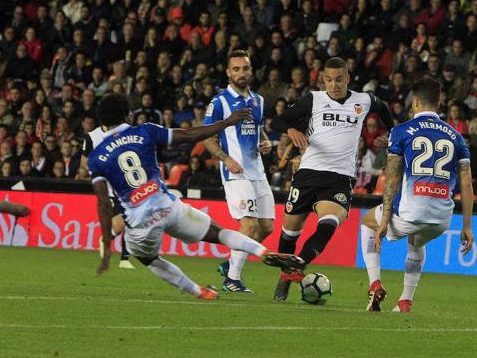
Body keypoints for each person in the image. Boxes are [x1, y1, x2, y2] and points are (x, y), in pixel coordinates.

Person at [88, 94, 304, 300]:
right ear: (128, 115)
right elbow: (191, 135)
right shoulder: (146, 131)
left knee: (151, 260)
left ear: (103, 124)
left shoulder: (96, 158)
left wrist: (107, 244)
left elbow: (103, 203)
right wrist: (227, 122)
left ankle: (197, 291)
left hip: (140, 224)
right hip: (168, 207)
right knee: (220, 233)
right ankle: (263, 251)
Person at [270, 57, 393, 300]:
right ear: (322, 80)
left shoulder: (364, 100)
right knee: (288, 235)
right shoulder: (314, 99)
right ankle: (285, 277)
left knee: (329, 223)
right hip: (307, 174)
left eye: (338, 79)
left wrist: (393, 134)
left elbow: (385, 110)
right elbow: (278, 120)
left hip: (339, 178)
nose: (333, 84)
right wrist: (291, 129)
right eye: (328, 80)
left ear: (347, 78)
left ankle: (299, 264)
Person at [360, 78, 474, 313]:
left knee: (366, 223)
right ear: (440, 103)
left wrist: (384, 221)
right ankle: (405, 301)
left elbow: (391, 178)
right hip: (441, 220)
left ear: (417, 102)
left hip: (409, 214)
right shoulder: (456, 137)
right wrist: (467, 227)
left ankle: (375, 284)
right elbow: (466, 184)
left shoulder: (401, 131)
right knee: (416, 242)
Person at [202, 50, 275, 293]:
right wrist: (225, 159)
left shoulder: (258, 101)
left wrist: (265, 142)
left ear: (251, 70)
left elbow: (258, 130)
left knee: (267, 227)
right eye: (236, 69)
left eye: (245, 68)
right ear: (228, 73)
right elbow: (207, 138)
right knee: (249, 226)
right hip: (236, 173)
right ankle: (232, 279)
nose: (241, 73)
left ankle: (231, 264)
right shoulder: (219, 102)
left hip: (257, 171)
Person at [82, 122, 135, 269]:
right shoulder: (92, 136)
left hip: (126, 184)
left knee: (131, 221)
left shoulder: (126, 132)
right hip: (108, 187)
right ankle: (108, 239)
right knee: (123, 220)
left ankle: (125, 258)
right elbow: (84, 164)